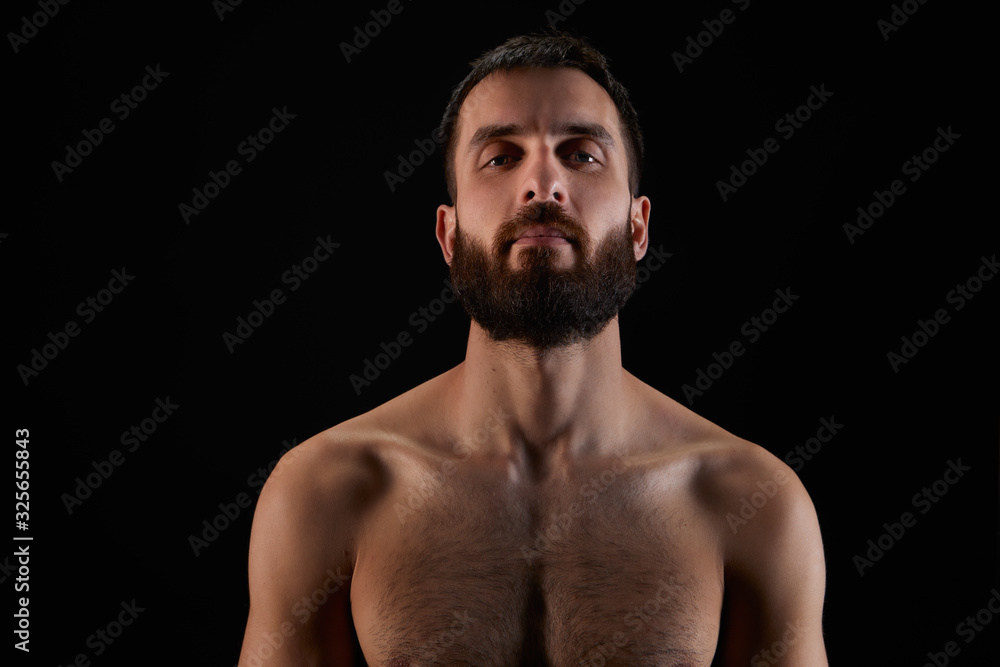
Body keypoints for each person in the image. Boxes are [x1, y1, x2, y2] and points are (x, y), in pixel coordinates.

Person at [239, 31, 828, 667]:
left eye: (581, 155)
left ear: (638, 227)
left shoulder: (751, 504)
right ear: (448, 233)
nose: (543, 184)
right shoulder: (327, 493)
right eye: (500, 157)